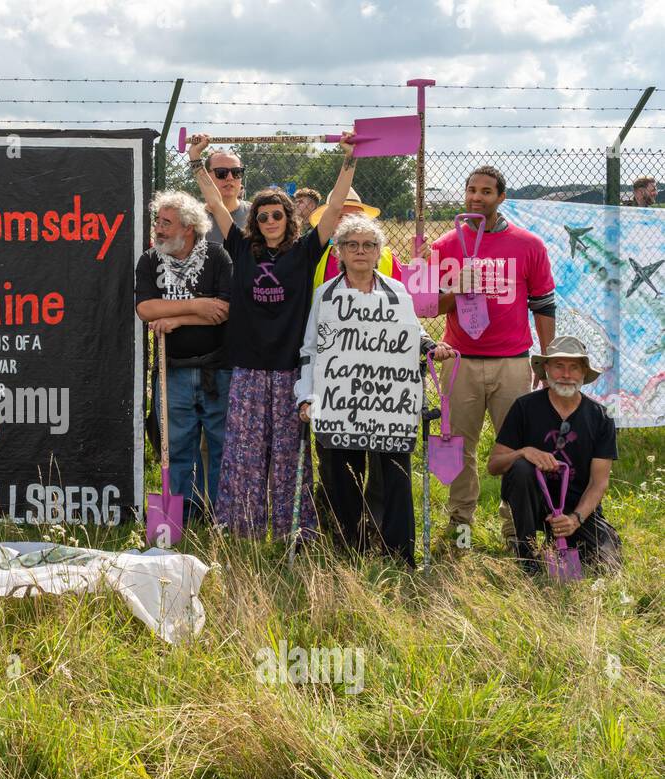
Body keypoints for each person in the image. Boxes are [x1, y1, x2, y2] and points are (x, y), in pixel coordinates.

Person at [187, 130, 358, 540]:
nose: (268, 222)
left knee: (288, 455)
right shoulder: (241, 249)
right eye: (261, 216)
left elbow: (334, 208)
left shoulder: (305, 252)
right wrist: (197, 161)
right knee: (244, 454)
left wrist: (349, 159)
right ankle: (241, 527)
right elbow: (214, 202)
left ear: (289, 218)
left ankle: (291, 529)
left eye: (276, 215)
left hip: (288, 370)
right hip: (246, 367)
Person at [295, 214, 454, 566]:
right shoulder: (325, 295)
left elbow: (411, 337)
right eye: (352, 245)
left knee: (393, 478)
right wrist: (306, 396)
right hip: (339, 402)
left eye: (369, 245)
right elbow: (311, 351)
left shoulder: (396, 292)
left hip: (388, 404)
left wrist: (431, 347)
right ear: (339, 251)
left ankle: (398, 555)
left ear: (379, 251)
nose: (361, 251)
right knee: (340, 478)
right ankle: (347, 552)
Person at [427, 165, 556, 548]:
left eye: (486, 191)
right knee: (459, 446)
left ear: (501, 197)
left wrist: (545, 359)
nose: (476, 197)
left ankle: (517, 529)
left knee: (516, 448)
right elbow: (431, 306)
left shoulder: (528, 244)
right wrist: (455, 289)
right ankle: (461, 526)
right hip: (461, 361)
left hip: (512, 361)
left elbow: (544, 303)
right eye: (471, 190)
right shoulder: (445, 245)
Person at [134, 190, 233, 519]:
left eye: (166, 223)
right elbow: (147, 308)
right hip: (172, 369)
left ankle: (220, 514)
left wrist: (176, 318)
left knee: (220, 445)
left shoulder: (217, 257)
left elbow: (224, 311)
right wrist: (196, 306)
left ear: (188, 227)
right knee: (175, 447)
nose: (158, 229)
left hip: (217, 369)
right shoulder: (150, 260)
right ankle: (180, 516)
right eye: (157, 222)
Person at [486, 336, 620, 573]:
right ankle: (525, 553)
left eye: (574, 367)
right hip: (533, 504)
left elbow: (599, 482)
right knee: (520, 467)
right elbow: (494, 465)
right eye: (558, 366)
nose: (566, 374)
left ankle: (560, 538)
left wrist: (575, 519)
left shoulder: (601, 417)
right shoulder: (524, 407)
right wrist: (523, 452)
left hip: (575, 507)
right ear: (546, 369)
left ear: (583, 373)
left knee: (608, 564)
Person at [196, 149, 251, 245]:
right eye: (221, 172)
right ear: (206, 176)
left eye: (236, 172)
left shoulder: (256, 214)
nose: (230, 178)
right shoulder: (193, 218)